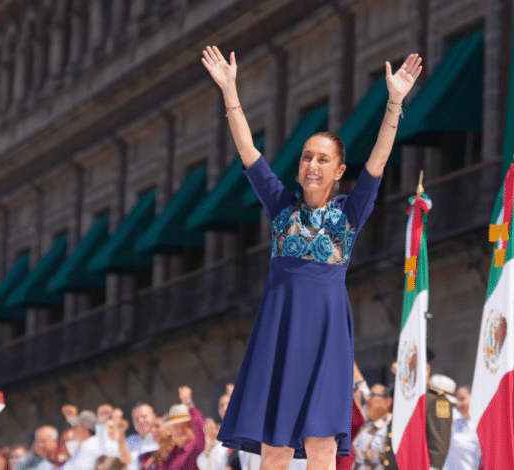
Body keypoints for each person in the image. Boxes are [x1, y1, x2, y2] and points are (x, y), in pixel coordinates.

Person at [202, 43, 422, 470]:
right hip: (280, 326)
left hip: (328, 332)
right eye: (306, 157)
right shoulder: (281, 204)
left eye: (323, 159)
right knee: (277, 448)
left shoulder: (350, 213)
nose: (312, 164)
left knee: (322, 444)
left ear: (339, 171)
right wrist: (230, 90)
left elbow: (379, 158)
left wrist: (394, 101)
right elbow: (249, 151)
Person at [160, 386, 205, 470]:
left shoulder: (196, 448)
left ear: (192, 428)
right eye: (176, 427)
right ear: (170, 430)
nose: (180, 430)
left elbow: (202, 431)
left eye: (185, 425)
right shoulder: (169, 456)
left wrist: (188, 402)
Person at [352, 384, 393, 470]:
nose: (367, 398)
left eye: (373, 395)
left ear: (387, 402)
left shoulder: (391, 428)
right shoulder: (368, 424)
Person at [443, 386, 480, 470]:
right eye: (457, 400)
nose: (458, 404)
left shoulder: (480, 426)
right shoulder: (453, 421)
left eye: (462, 399)